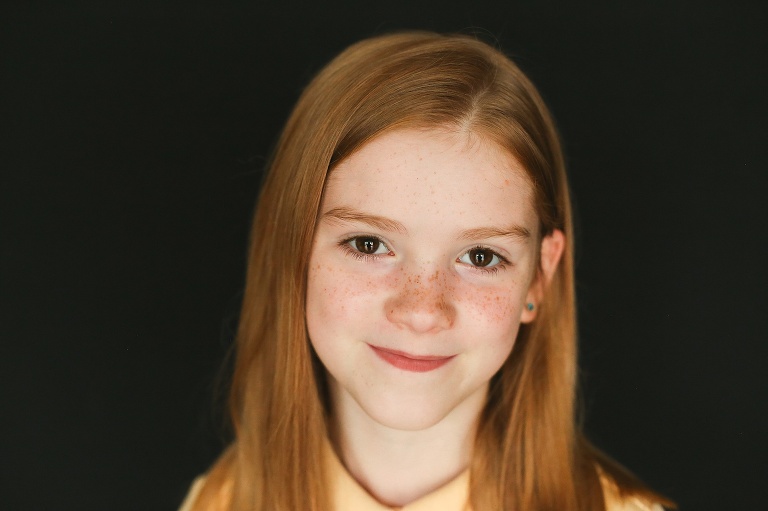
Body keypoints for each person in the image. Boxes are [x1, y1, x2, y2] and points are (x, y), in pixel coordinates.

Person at [179, 31, 675, 511]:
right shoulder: (218, 504)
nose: (421, 311)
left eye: (480, 257)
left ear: (539, 279)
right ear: (293, 252)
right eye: (369, 245)